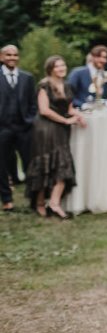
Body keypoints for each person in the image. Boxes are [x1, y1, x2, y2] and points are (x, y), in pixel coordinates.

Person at [25, 56, 84, 219]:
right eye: (57, 66)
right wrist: (66, 120)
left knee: (62, 165)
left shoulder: (66, 85)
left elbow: (69, 108)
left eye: (63, 65)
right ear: (50, 68)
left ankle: (54, 203)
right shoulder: (44, 85)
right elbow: (44, 110)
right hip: (45, 129)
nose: (61, 68)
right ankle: (39, 203)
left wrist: (79, 116)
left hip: (61, 129)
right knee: (45, 165)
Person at [1, 44, 37, 212]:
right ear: (1, 57)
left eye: (15, 55)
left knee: (30, 163)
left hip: (24, 127)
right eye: (8, 55)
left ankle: (34, 198)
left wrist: (30, 120)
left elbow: (33, 102)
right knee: (1, 165)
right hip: (3, 128)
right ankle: (7, 199)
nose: (12, 58)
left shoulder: (27, 77)